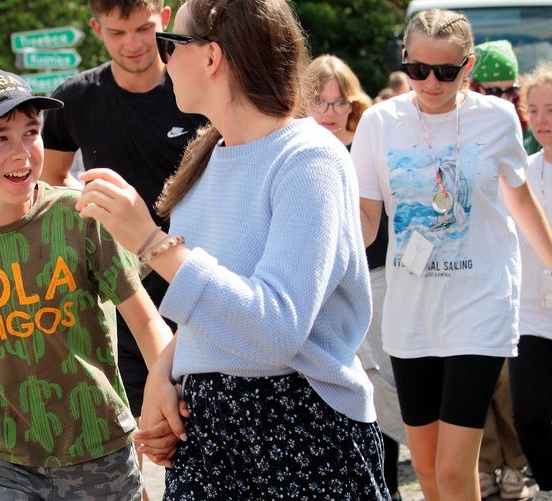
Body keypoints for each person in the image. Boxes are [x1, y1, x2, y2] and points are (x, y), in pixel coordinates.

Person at [75, 0, 388, 498]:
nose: (163, 59)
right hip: (213, 436)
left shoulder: (309, 159)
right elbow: (220, 310)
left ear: (212, 57)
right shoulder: (210, 156)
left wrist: (153, 244)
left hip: (301, 433)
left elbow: (273, 330)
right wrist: (168, 369)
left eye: (171, 43)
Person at [0, 67, 174, 501]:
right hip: (4, 455)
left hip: (100, 449)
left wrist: (164, 398)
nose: (23, 152)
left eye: (31, 132)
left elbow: (146, 320)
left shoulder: (80, 217)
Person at [352, 9, 552, 500]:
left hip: (479, 307)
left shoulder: (498, 118)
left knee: (455, 470)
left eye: (445, 71)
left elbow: (520, 201)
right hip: (411, 312)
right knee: (426, 470)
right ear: (405, 60)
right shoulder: (380, 123)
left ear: (469, 66)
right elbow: (366, 221)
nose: (430, 82)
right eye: (417, 69)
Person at [41, 0, 207, 492]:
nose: (133, 44)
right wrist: (95, 214)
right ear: (96, 29)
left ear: (165, 15)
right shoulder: (76, 98)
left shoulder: (194, 83)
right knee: (156, 436)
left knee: (207, 425)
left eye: (144, 28)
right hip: (124, 291)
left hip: (198, 278)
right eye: (117, 33)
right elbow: (49, 184)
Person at [308, 54, 405, 501]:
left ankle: (389, 481)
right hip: (318, 286)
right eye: (319, 101)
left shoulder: (364, 146)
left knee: (382, 383)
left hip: (376, 275)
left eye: (338, 102)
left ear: (353, 103)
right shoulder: (297, 149)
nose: (330, 112)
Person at [467, 39, 530, 501]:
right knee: (482, 389)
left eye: (510, 90)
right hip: (471, 275)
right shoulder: (462, 128)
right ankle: (488, 466)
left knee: (512, 388)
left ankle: (519, 463)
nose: (503, 99)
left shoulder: (525, 132)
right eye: (494, 88)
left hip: (517, 278)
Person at [511, 60, 552, 501]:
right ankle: (547, 483)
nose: (542, 120)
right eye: (534, 110)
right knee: (530, 413)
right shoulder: (520, 170)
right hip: (530, 317)